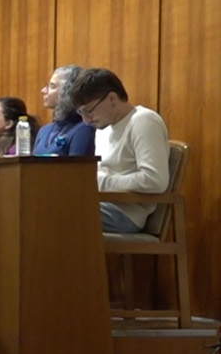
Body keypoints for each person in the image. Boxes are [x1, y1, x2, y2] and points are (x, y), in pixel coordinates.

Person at [71, 68, 170, 234]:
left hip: (124, 213)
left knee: (54, 211)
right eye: (81, 113)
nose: (86, 120)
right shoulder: (103, 128)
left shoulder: (143, 121)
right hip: (100, 202)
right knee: (43, 205)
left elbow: (155, 180)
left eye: (89, 110)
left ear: (112, 98)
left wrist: (99, 182)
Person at [34, 64, 96, 157]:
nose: (43, 90)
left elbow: (77, 166)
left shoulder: (83, 129)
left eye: (52, 86)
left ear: (68, 92)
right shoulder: (44, 130)